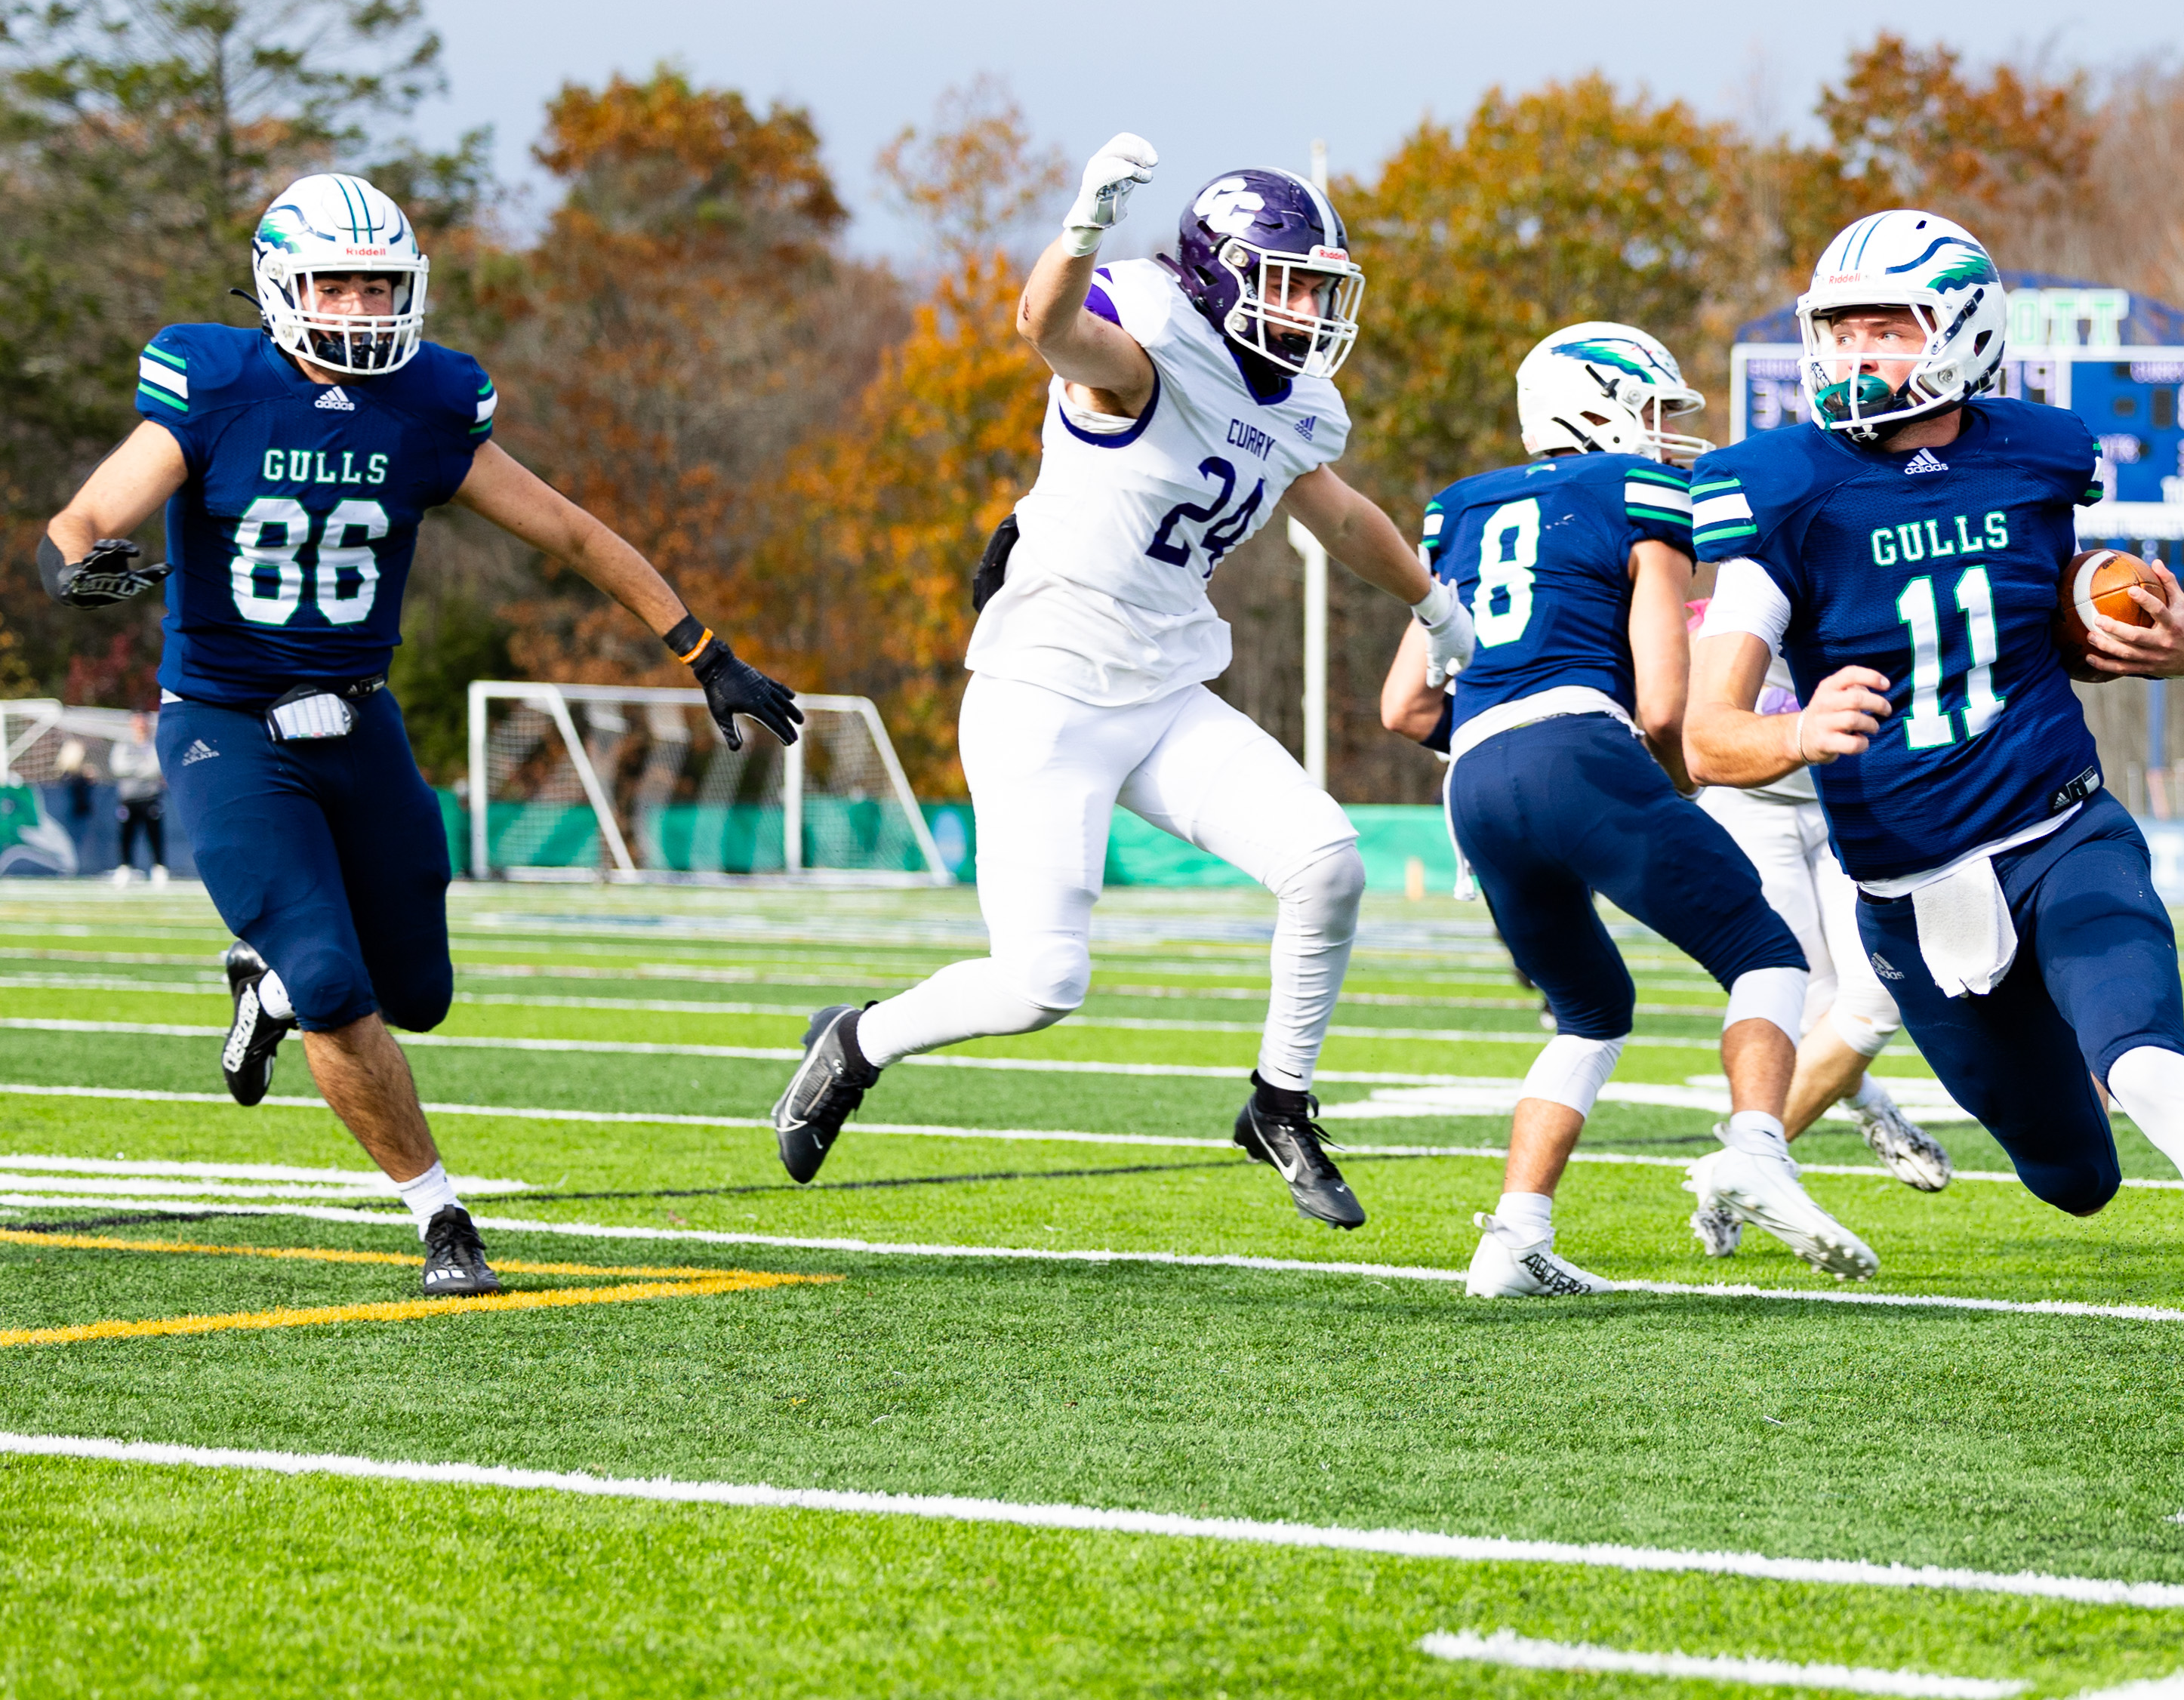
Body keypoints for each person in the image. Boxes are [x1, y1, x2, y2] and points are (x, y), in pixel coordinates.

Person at [1682, 208, 2184, 1468]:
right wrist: (1792, 737)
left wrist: (2172, 643)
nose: (1852, 353)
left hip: (2063, 832)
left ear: (1958, 332)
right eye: (1836, 327)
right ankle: (2065, 1105)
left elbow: (2063, 628)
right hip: (1907, 895)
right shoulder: (1777, 484)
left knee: (2156, 1073)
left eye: (1883, 326)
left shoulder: (2037, 454)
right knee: (2075, 1177)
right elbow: (1705, 734)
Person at [40, 172, 802, 1297]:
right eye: (334, 284)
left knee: (421, 993)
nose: (358, 307)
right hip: (226, 726)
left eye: (378, 285)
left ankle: (271, 985)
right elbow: (91, 511)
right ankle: (440, 1217)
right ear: (279, 288)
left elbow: (575, 534)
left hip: (360, 721)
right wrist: (74, 560)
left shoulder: (429, 404)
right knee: (340, 985)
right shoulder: (215, 387)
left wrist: (704, 652)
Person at [770, 136, 1477, 1229]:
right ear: (1217, 274)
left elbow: (1334, 510)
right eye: (1286, 284)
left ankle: (1277, 1104)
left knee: (1327, 863)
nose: (1305, 313)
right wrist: (1080, 226)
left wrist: (1430, 601)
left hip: (1162, 688)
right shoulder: (1146, 350)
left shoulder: (1296, 404)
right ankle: (856, 1042)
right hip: (1044, 690)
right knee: (1041, 986)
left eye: (1319, 290)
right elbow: (1047, 330)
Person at [1381, 322, 1880, 1294]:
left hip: (1474, 780)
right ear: (1595, 403)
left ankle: (1513, 1239)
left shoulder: (1460, 508)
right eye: (1650, 409)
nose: (1662, 434)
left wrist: (1509, 739)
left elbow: (1404, 707)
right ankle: (1757, 1148)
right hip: (1581, 750)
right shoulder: (1635, 493)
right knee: (1767, 955)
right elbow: (1662, 703)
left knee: (1591, 1011)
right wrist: (1671, 772)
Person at [1683, 600, 1954, 1246]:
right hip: (1749, 805)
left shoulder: (1858, 573)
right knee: (1815, 1008)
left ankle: (1734, 1167)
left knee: (1878, 994)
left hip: (1848, 799)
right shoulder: (1736, 594)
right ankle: (1870, 1108)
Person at [108, 711, 168, 885]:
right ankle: (125, 868)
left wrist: (134, 769)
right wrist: (140, 768)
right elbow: (118, 767)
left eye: (143, 724)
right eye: (137, 724)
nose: (140, 727)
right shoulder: (124, 744)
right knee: (126, 836)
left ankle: (159, 869)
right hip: (128, 799)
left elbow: (155, 769)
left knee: (154, 835)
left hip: (150, 798)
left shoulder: (153, 745)